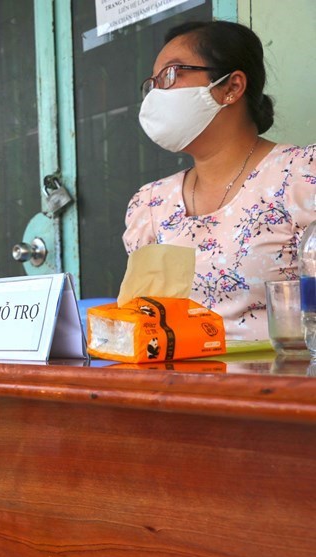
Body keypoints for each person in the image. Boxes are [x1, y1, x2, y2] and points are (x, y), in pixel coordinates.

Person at [124, 20, 315, 340]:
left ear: (231, 87)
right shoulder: (151, 204)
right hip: (174, 386)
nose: (157, 94)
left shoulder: (300, 176)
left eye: (170, 75)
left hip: (283, 384)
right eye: (153, 83)